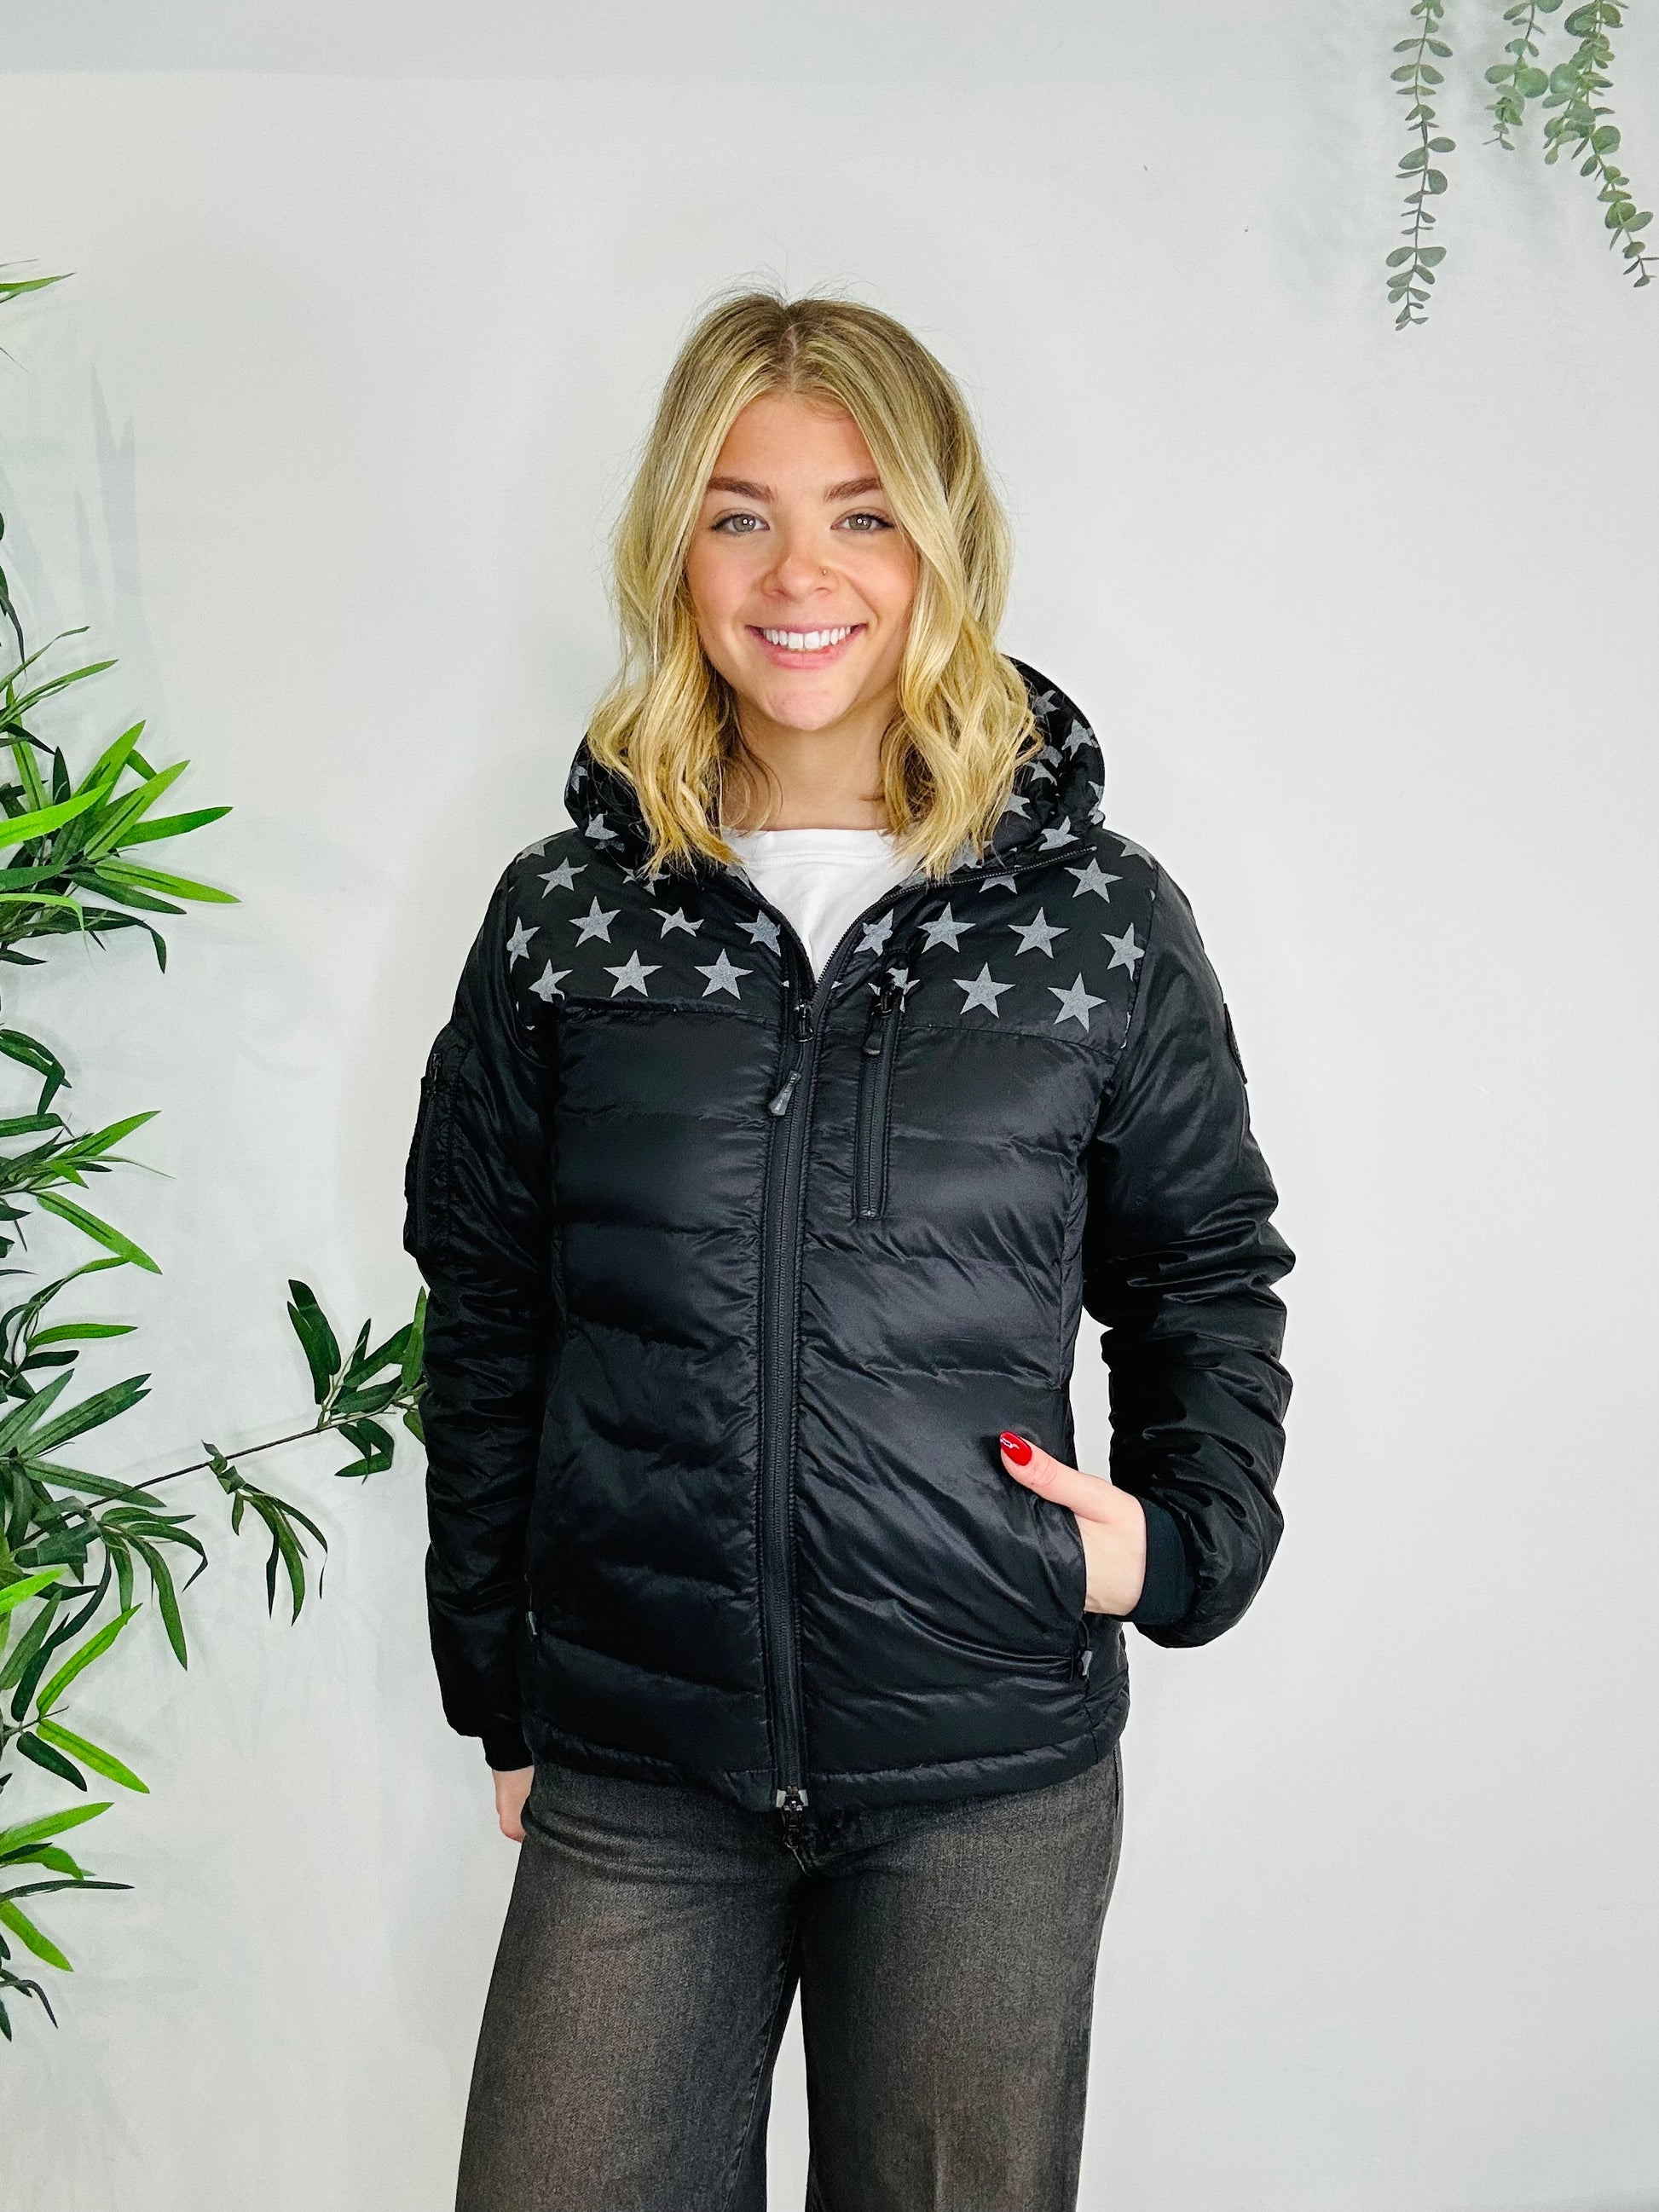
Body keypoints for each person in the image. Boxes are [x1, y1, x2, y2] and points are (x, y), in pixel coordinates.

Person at [403, 286, 1293, 2212]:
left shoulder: (1092, 921)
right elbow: (482, 1309)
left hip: (982, 1768)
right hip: (638, 1759)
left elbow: (1203, 1268)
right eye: (739, 514)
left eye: (861, 514)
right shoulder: (568, 917)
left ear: (939, 548)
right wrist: (498, 1682)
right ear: (674, 549)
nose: (798, 572)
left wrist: (1181, 1542)